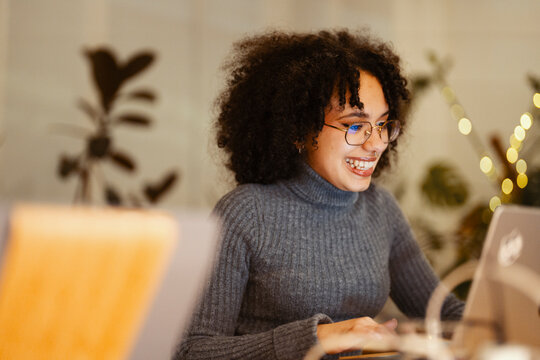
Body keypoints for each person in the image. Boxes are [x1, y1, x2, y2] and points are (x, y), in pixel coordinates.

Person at [174, 29, 463, 360]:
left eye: (383, 125)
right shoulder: (246, 214)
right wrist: (318, 337)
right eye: (355, 126)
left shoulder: (380, 209)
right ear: (300, 130)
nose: (376, 144)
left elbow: (443, 312)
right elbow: (192, 350)